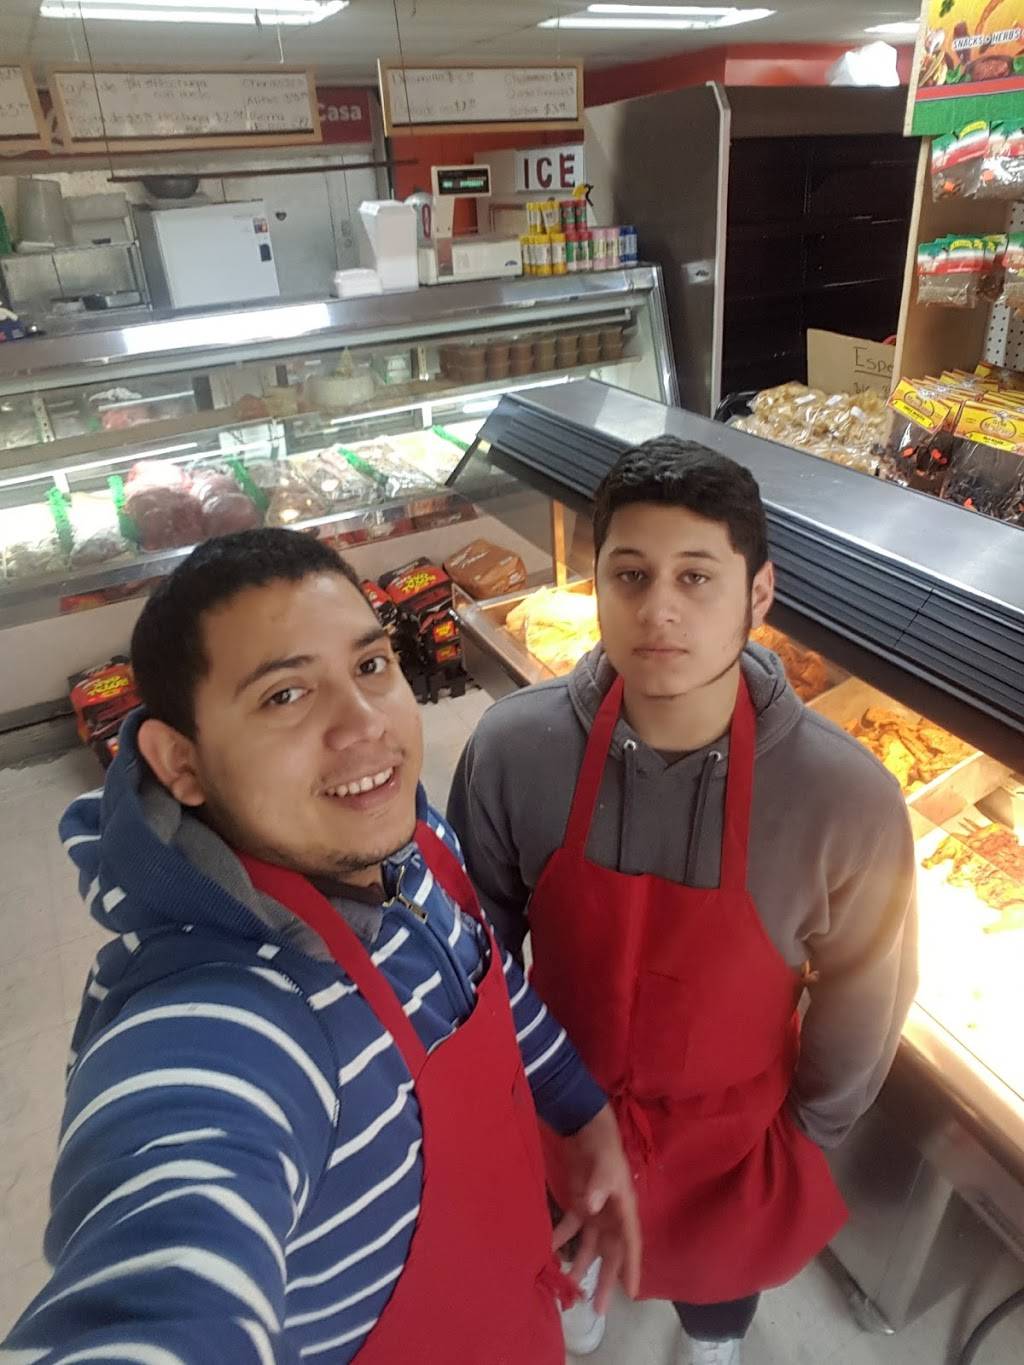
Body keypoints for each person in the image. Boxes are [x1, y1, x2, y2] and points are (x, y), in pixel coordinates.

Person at [2, 527, 640, 1365]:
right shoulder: (221, 1016)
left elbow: (484, 976)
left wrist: (581, 1111)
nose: (365, 723)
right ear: (180, 762)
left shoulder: (411, 842)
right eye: (285, 695)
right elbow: (161, 1268)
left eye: (370, 664)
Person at [448, 437, 918, 1365]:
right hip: (558, 1114)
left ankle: (713, 1339)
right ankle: (579, 1305)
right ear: (596, 584)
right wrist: (502, 1098)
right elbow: (476, 948)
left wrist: (805, 1134)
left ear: (760, 593)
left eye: (697, 577)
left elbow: (867, 993)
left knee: (716, 1299)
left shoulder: (846, 799)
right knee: (567, 1264)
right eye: (630, 574)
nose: (658, 608)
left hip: (731, 1147)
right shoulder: (513, 750)